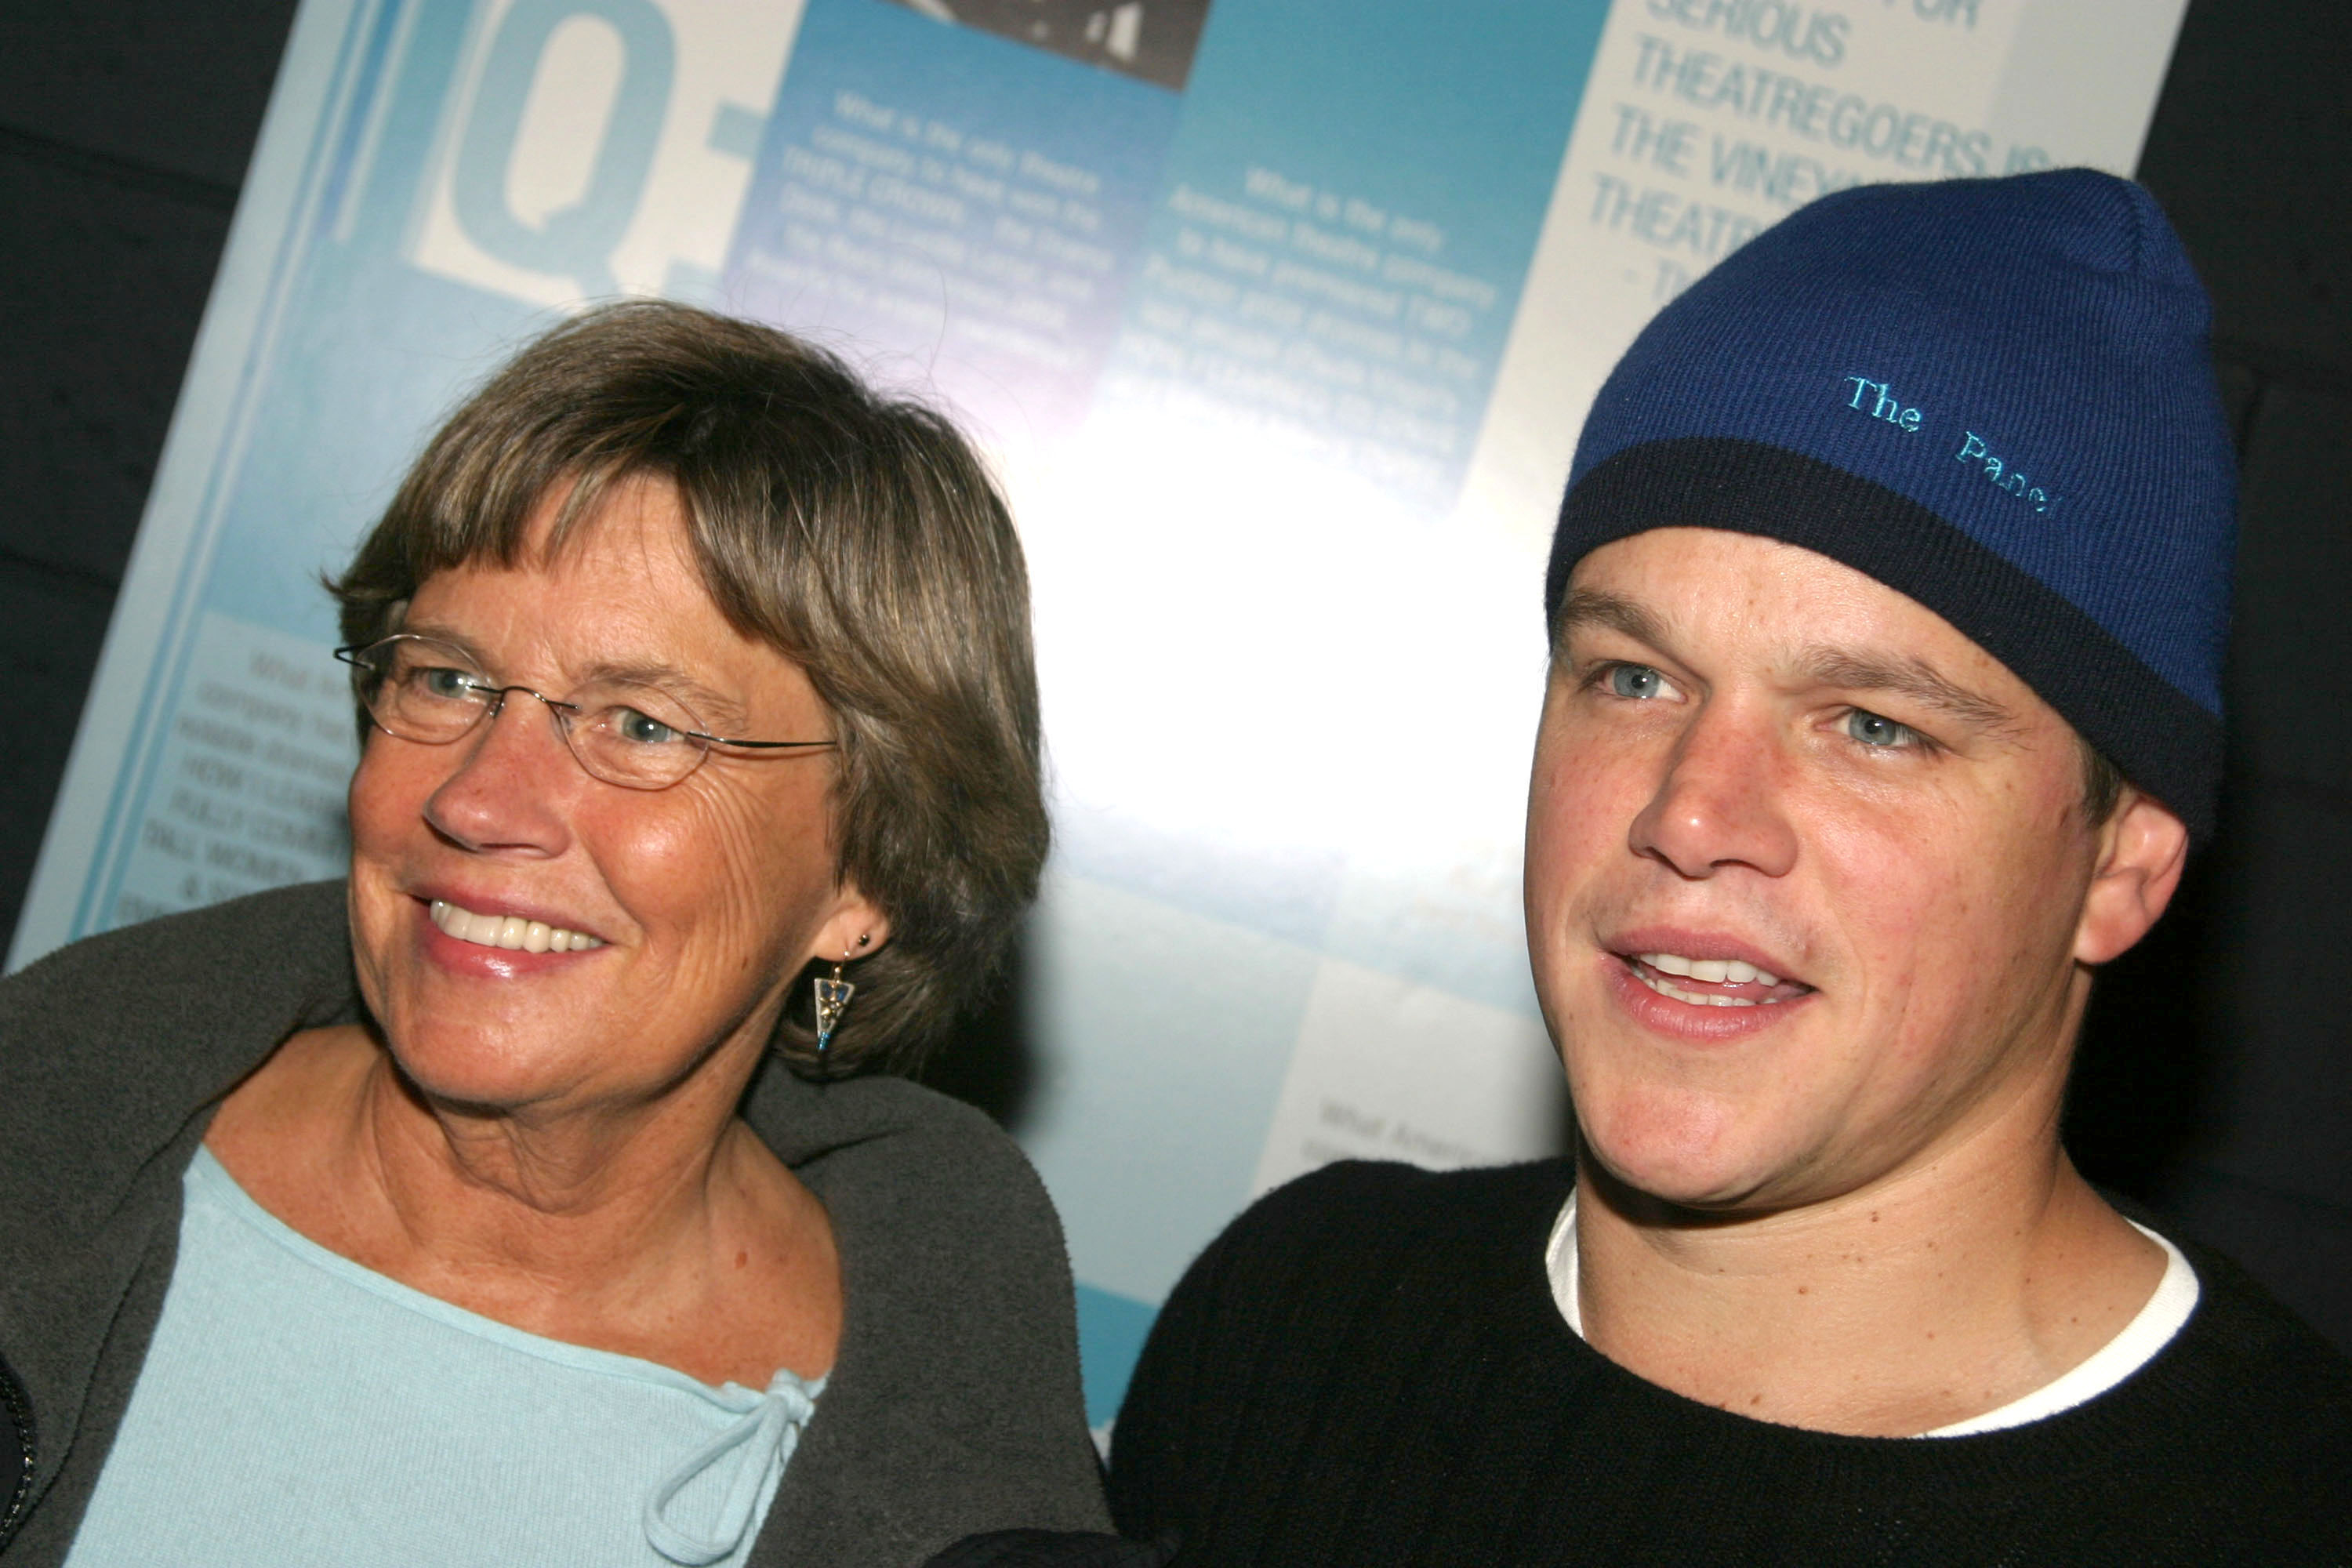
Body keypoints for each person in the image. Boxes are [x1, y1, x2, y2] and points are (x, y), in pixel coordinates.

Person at [968, 171, 2352, 1566]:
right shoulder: (1302, 1322)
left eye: (1872, 725)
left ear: (2120, 869)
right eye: (1635, 676)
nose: (1694, 812)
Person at [0, 301, 1109, 1566]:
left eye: (641, 725)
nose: (475, 799)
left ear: (871, 875)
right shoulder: (44, 1158)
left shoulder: (953, 1469)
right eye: (448, 679)